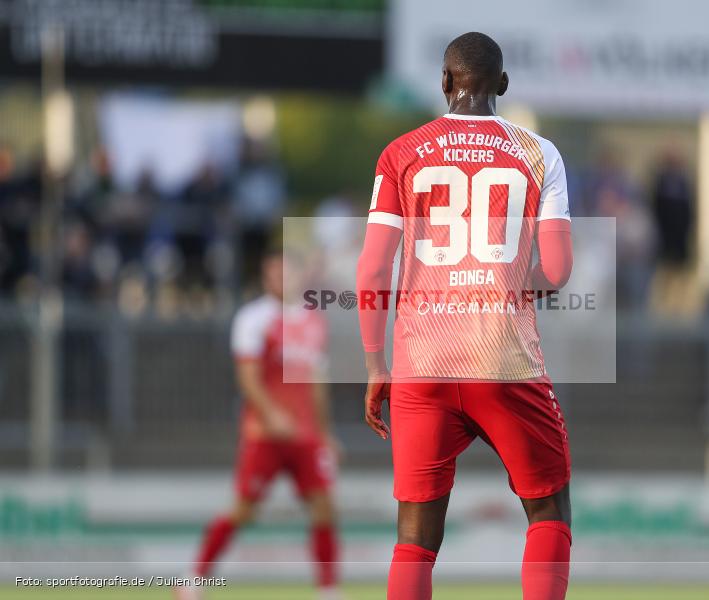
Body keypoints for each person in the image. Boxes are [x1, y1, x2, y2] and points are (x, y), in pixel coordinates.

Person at [356, 32, 573, 600]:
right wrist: (510, 281)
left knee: (415, 537)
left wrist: (376, 363)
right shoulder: (537, 152)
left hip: (422, 364)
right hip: (503, 357)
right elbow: (558, 268)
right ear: (502, 85)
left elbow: (374, 268)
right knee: (548, 508)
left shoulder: (402, 152)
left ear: (445, 82)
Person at [175, 248, 342, 600]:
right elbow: (248, 378)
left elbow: (316, 383)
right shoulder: (254, 318)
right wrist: (271, 415)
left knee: (325, 506)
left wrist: (326, 433)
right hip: (265, 433)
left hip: (306, 434)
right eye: (272, 273)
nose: (280, 279)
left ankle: (328, 590)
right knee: (243, 509)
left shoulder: (313, 320)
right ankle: (194, 578)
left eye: (286, 272)